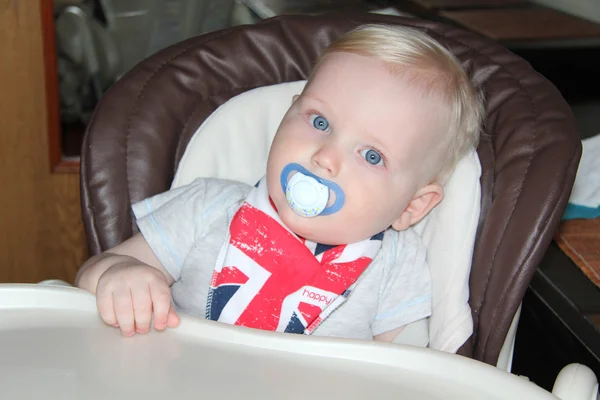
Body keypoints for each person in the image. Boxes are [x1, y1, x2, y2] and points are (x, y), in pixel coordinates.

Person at [75, 24, 484, 342]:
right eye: (320, 122)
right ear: (287, 117)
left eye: (372, 155)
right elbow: (93, 275)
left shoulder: (397, 266)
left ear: (413, 207)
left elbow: (409, 374)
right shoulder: (207, 208)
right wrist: (120, 275)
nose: (325, 157)